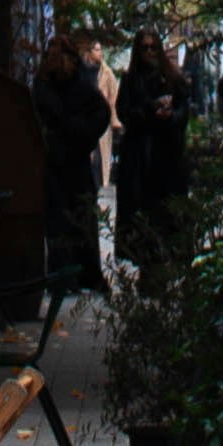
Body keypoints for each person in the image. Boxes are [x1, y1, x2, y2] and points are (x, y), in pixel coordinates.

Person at [34, 32, 112, 298]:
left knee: (69, 219)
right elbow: (99, 113)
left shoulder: (55, 83)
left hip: (65, 159)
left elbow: (99, 113)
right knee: (72, 218)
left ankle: (71, 275)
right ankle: (75, 275)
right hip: (66, 160)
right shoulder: (65, 82)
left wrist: (80, 134)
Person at [115, 31, 190, 243]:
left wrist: (169, 117)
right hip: (139, 159)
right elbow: (124, 112)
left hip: (167, 158)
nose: (149, 52)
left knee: (167, 221)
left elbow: (183, 113)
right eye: (144, 48)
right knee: (140, 225)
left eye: (153, 47)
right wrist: (150, 111)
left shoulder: (173, 78)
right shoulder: (130, 81)